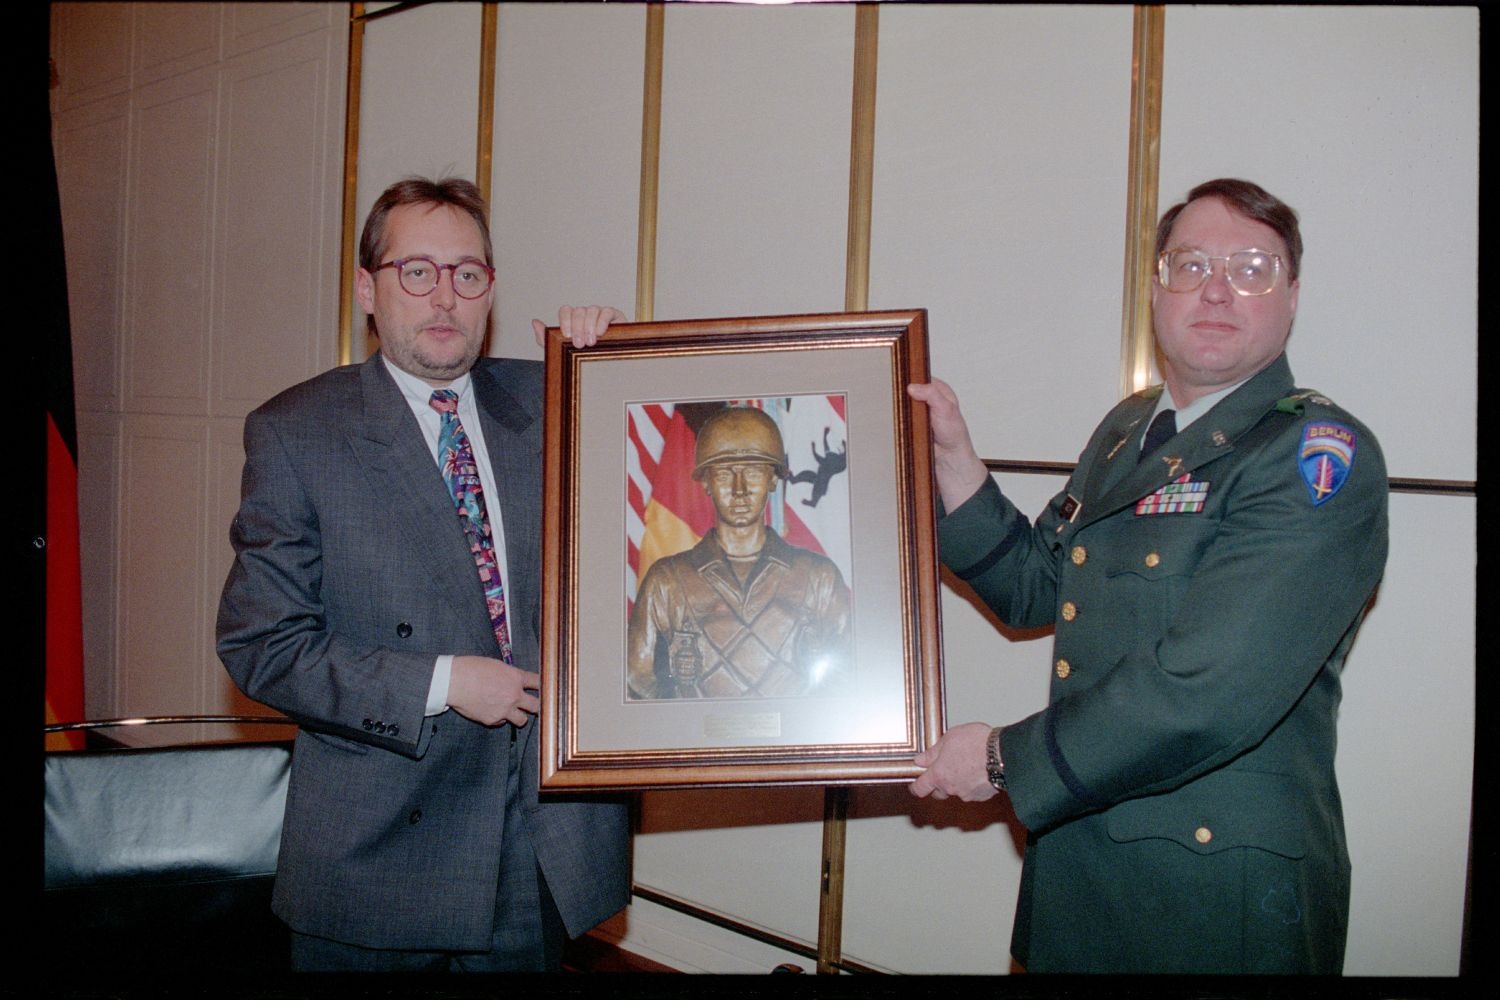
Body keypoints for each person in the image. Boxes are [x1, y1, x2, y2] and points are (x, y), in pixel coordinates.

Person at [907, 178, 1388, 974]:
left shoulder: (1313, 459)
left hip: (1210, 891)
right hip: (1083, 863)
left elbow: (1205, 691)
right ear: (1157, 289)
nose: (1217, 288)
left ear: (1292, 296)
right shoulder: (1132, 428)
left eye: (1252, 267)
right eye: (1190, 264)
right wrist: (956, 465)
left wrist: (999, 760)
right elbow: (1036, 587)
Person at [217, 176, 629, 972]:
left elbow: (675, 499)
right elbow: (262, 645)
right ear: (369, 289)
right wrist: (440, 683)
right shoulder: (297, 432)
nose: (445, 296)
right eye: (417, 271)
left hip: (540, 842)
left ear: (491, 292)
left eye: (467, 274)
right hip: (381, 851)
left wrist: (617, 366)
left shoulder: (558, 397)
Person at [627, 405, 852, 699]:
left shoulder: (819, 577)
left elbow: (844, 678)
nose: (740, 489)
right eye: (723, 475)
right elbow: (639, 680)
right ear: (705, 482)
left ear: (774, 479)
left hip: (797, 742)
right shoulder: (667, 581)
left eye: (754, 472)